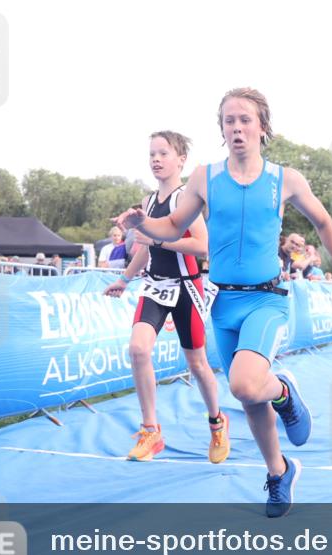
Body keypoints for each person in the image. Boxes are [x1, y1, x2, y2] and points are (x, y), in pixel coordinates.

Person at [115, 87, 332, 517]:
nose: (237, 127)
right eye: (229, 121)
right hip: (223, 303)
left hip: (267, 300)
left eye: (245, 119)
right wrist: (143, 224)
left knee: (248, 384)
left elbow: (323, 222)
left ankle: (284, 392)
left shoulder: (286, 179)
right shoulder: (205, 178)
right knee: (247, 399)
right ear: (222, 130)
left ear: (263, 127)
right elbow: (174, 225)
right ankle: (279, 472)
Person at [104, 131, 230, 465]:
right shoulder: (147, 203)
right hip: (155, 286)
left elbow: (202, 246)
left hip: (187, 287)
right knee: (138, 348)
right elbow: (144, 248)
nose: (156, 160)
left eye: (163, 153)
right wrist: (124, 279)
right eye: (152, 154)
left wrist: (161, 242)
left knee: (197, 364)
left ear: (181, 160)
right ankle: (151, 431)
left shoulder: (185, 200)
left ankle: (217, 422)